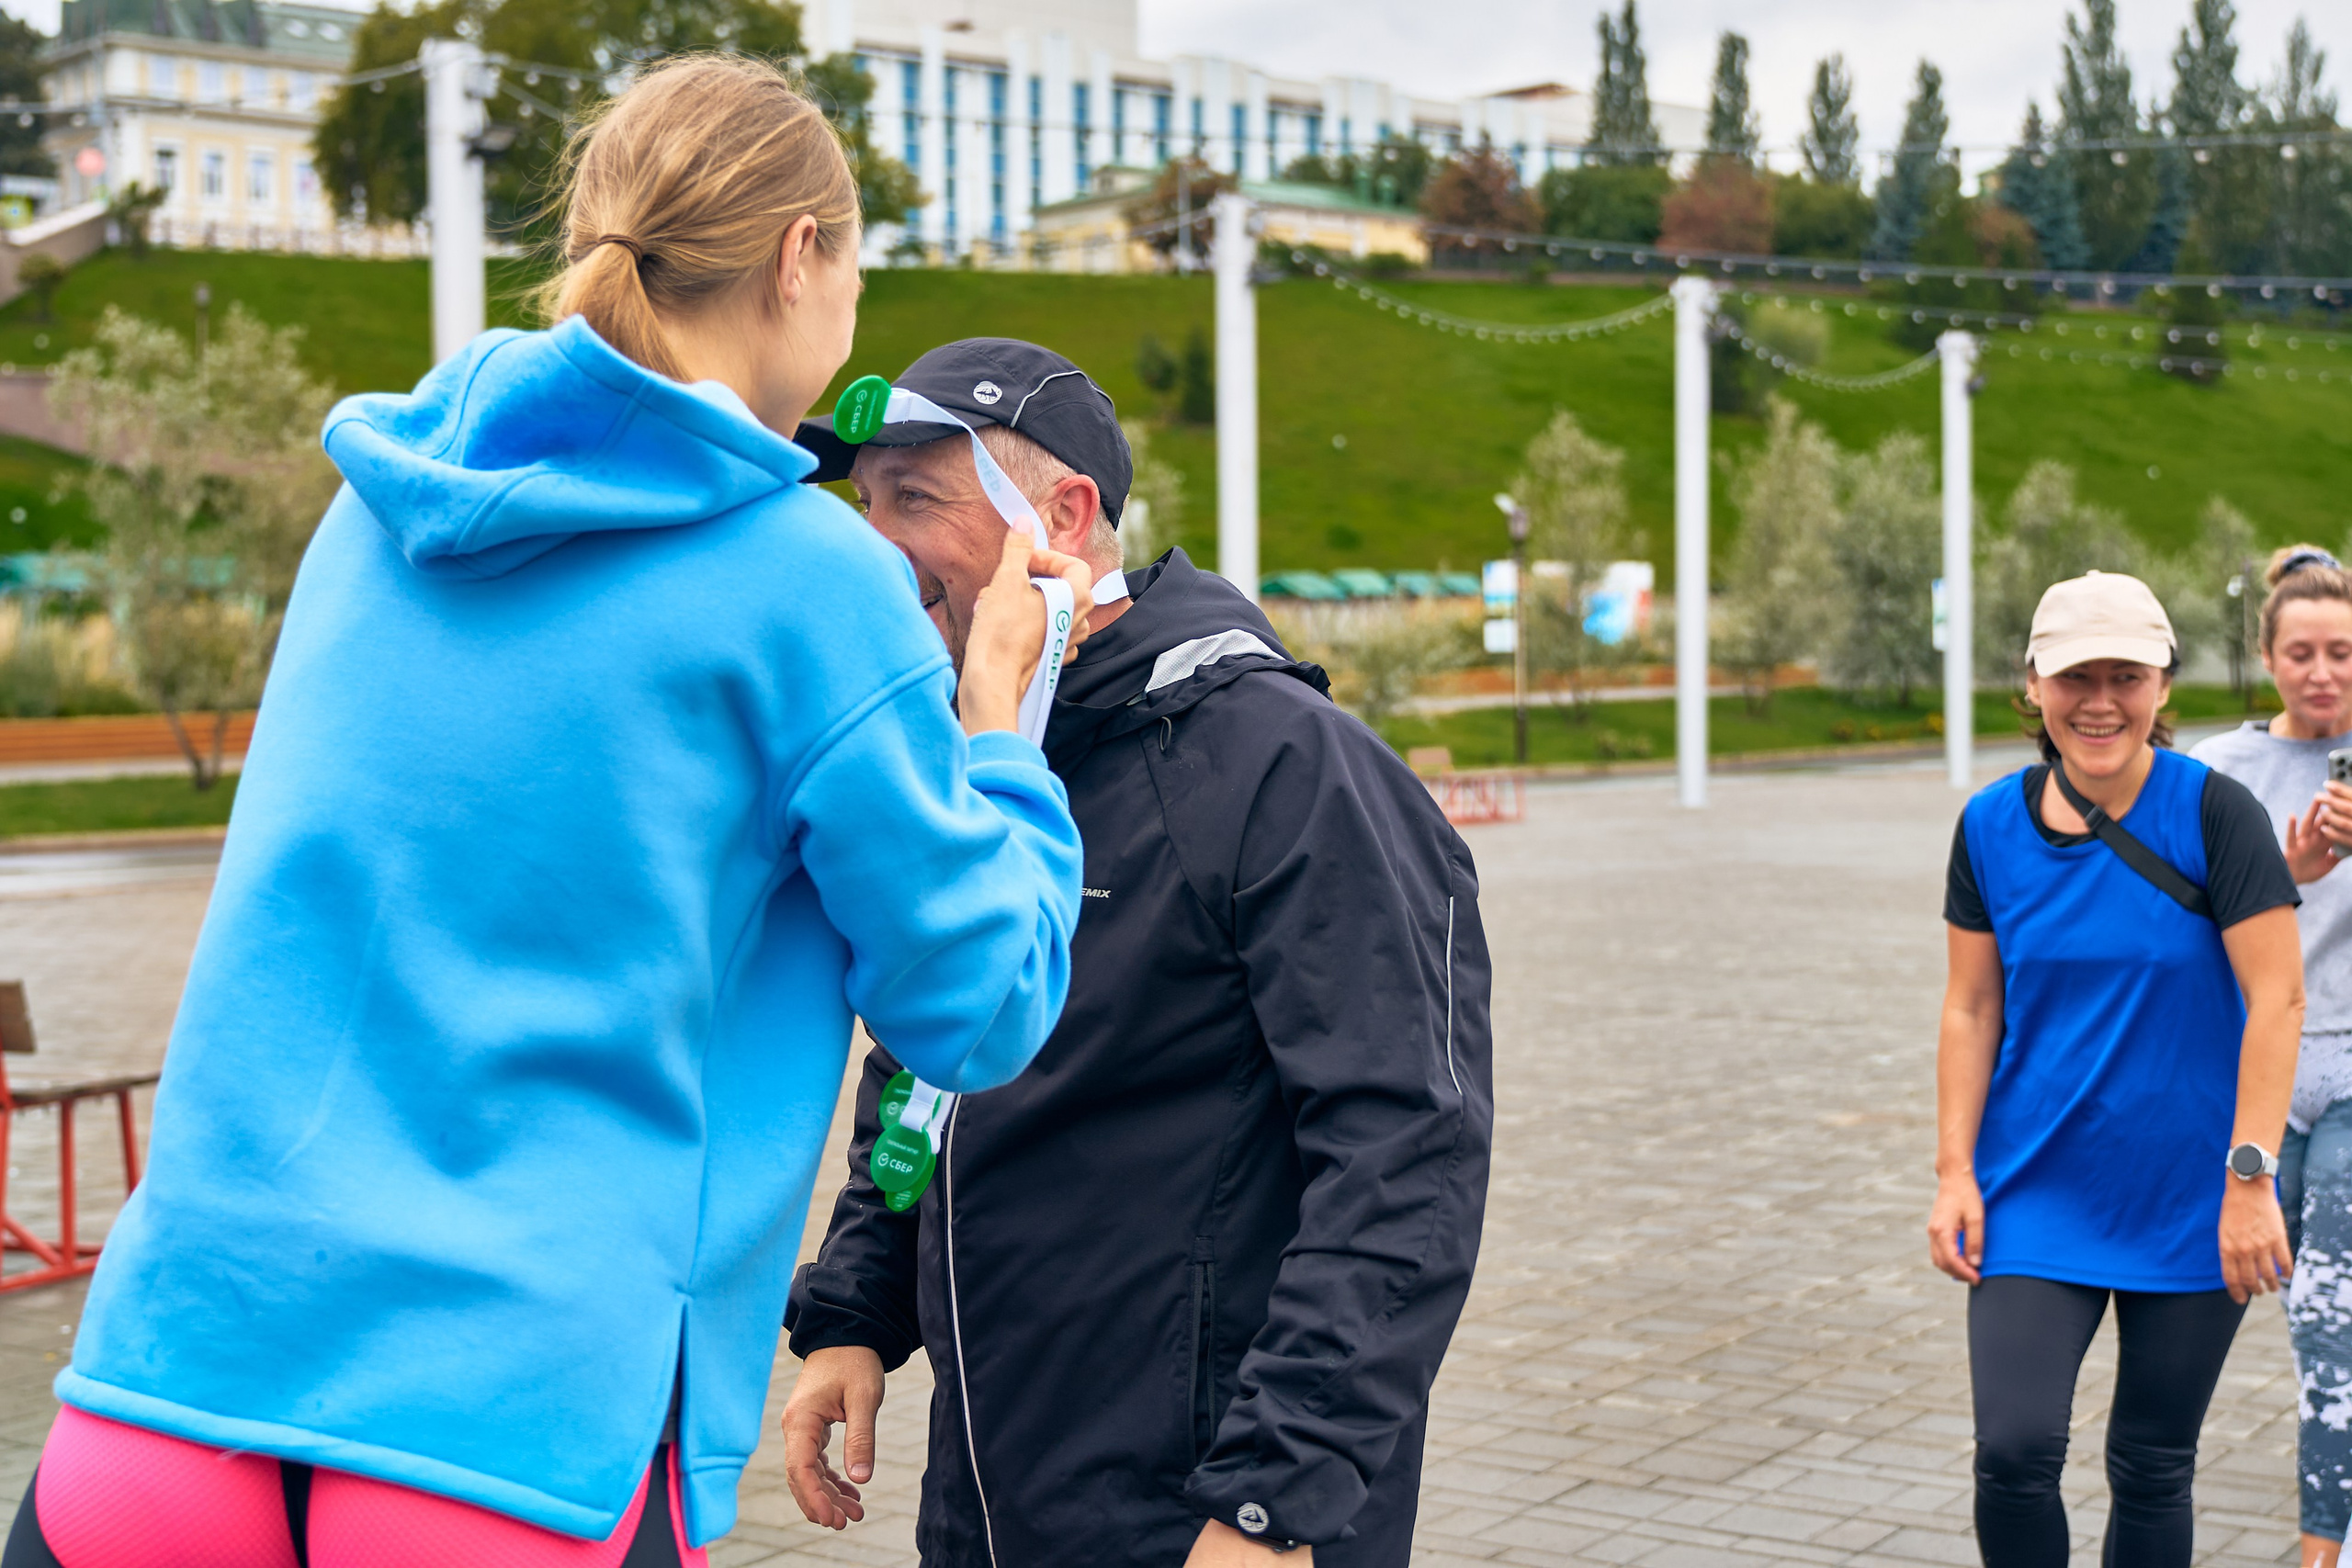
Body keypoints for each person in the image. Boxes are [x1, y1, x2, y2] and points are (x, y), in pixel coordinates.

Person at [4, 57, 1093, 1568]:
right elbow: (981, 1003)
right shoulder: (814, 584)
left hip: (169, 1395)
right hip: (512, 1433)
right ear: (800, 257)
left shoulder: (377, 503)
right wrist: (998, 726)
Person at [778, 339, 1495, 1567]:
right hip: (997, 1497)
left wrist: (1274, 1498)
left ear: (1061, 518)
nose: (874, 546)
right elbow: (930, 1046)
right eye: (864, 506)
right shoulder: (980, 760)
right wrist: (856, 1306)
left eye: (916, 499)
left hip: (1213, 1513)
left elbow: (1407, 1150)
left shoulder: (1285, 764)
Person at [1928, 570, 2304, 1568]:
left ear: (2162, 685)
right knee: (2013, 1452)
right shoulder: (1987, 826)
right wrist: (1954, 1172)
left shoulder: (2215, 813)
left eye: (2125, 677)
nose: (2100, 702)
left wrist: (2250, 1178)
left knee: (2150, 1462)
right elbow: (1971, 1007)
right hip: (2033, 1188)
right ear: (2034, 685)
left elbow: (2278, 999)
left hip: (2193, 1194)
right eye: (2075, 677)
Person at [2190, 545, 2352, 1568]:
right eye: (2302, 653)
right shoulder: (2219, 771)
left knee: (2329, 1318)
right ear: (2267, 657)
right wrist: (2282, 877)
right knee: (2295, 1316)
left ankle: (2320, 1549)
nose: (2323, 673)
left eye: (2343, 652)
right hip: (2259, 1075)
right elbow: (2181, 933)